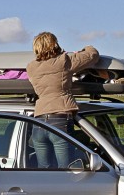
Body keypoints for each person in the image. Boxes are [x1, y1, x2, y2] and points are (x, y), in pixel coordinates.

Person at [26, 32, 99, 168]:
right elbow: (92, 55)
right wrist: (87, 47)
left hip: (39, 121)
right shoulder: (64, 60)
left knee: (43, 169)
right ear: (54, 44)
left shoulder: (31, 67)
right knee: (66, 169)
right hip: (60, 119)